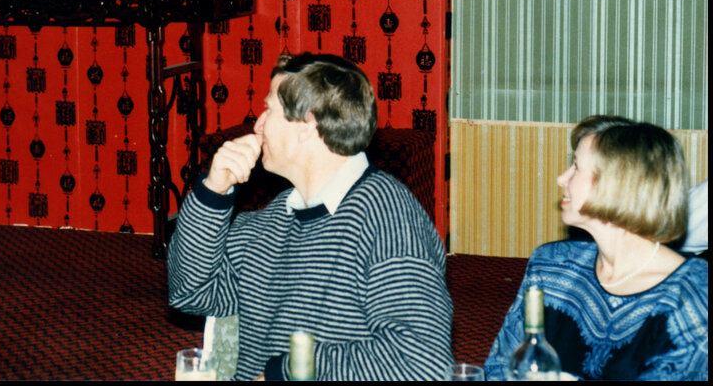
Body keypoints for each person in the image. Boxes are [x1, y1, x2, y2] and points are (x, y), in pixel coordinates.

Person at [167, 53, 453, 380]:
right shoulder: (272, 221)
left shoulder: (389, 218)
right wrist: (212, 193)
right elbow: (189, 294)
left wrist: (288, 373)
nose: (257, 126)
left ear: (307, 124)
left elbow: (422, 361)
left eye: (269, 109)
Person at [484, 116, 708, 380]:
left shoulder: (690, 294)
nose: (561, 179)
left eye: (576, 167)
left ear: (618, 184)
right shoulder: (551, 264)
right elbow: (501, 365)